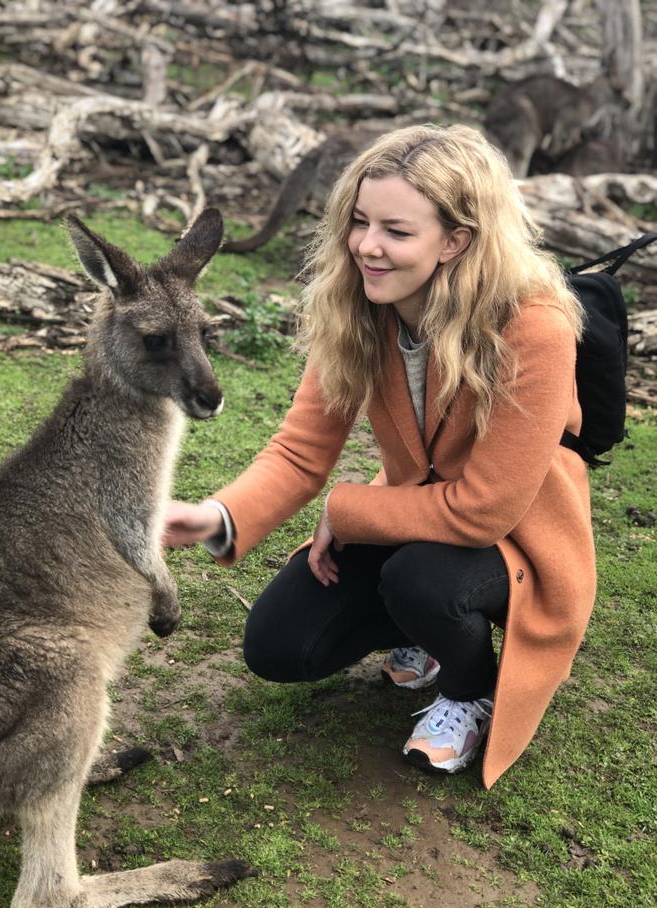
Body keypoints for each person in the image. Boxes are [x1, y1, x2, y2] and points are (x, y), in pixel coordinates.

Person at [163, 124, 596, 787]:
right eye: (360, 222)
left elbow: (483, 511)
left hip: (517, 539)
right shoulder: (359, 306)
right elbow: (301, 451)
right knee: (279, 643)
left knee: (423, 579)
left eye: (395, 230)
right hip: (412, 517)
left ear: (456, 240)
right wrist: (215, 515)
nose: (367, 245)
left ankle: (468, 688)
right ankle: (420, 635)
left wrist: (348, 507)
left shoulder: (532, 325)